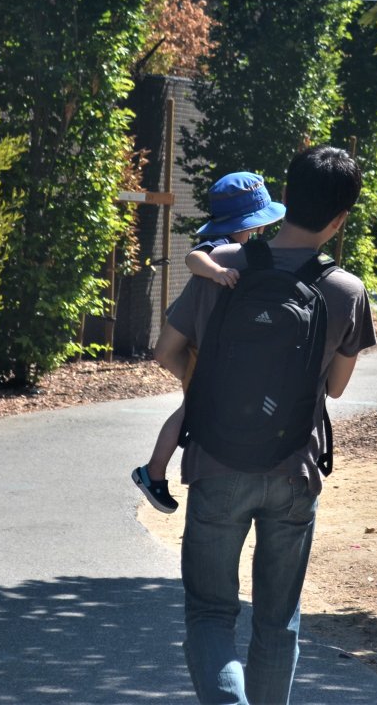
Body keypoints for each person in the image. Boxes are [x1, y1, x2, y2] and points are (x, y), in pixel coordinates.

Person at [151, 145, 374, 705]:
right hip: (294, 470)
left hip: (217, 464)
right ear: (340, 218)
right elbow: (336, 387)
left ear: (285, 199)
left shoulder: (222, 266)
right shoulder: (346, 290)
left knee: (209, 613)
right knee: (278, 621)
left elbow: (165, 351)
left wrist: (205, 391)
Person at [132, 171, 286, 514]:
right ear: (240, 222)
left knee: (193, 409)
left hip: (203, 354)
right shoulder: (218, 247)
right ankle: (152, 471)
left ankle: (154, 471)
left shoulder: (239, 248)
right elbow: (193, 258)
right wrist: (216, 271)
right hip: (205, 354)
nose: (260, 232)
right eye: (256, 226)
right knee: (191, 410)